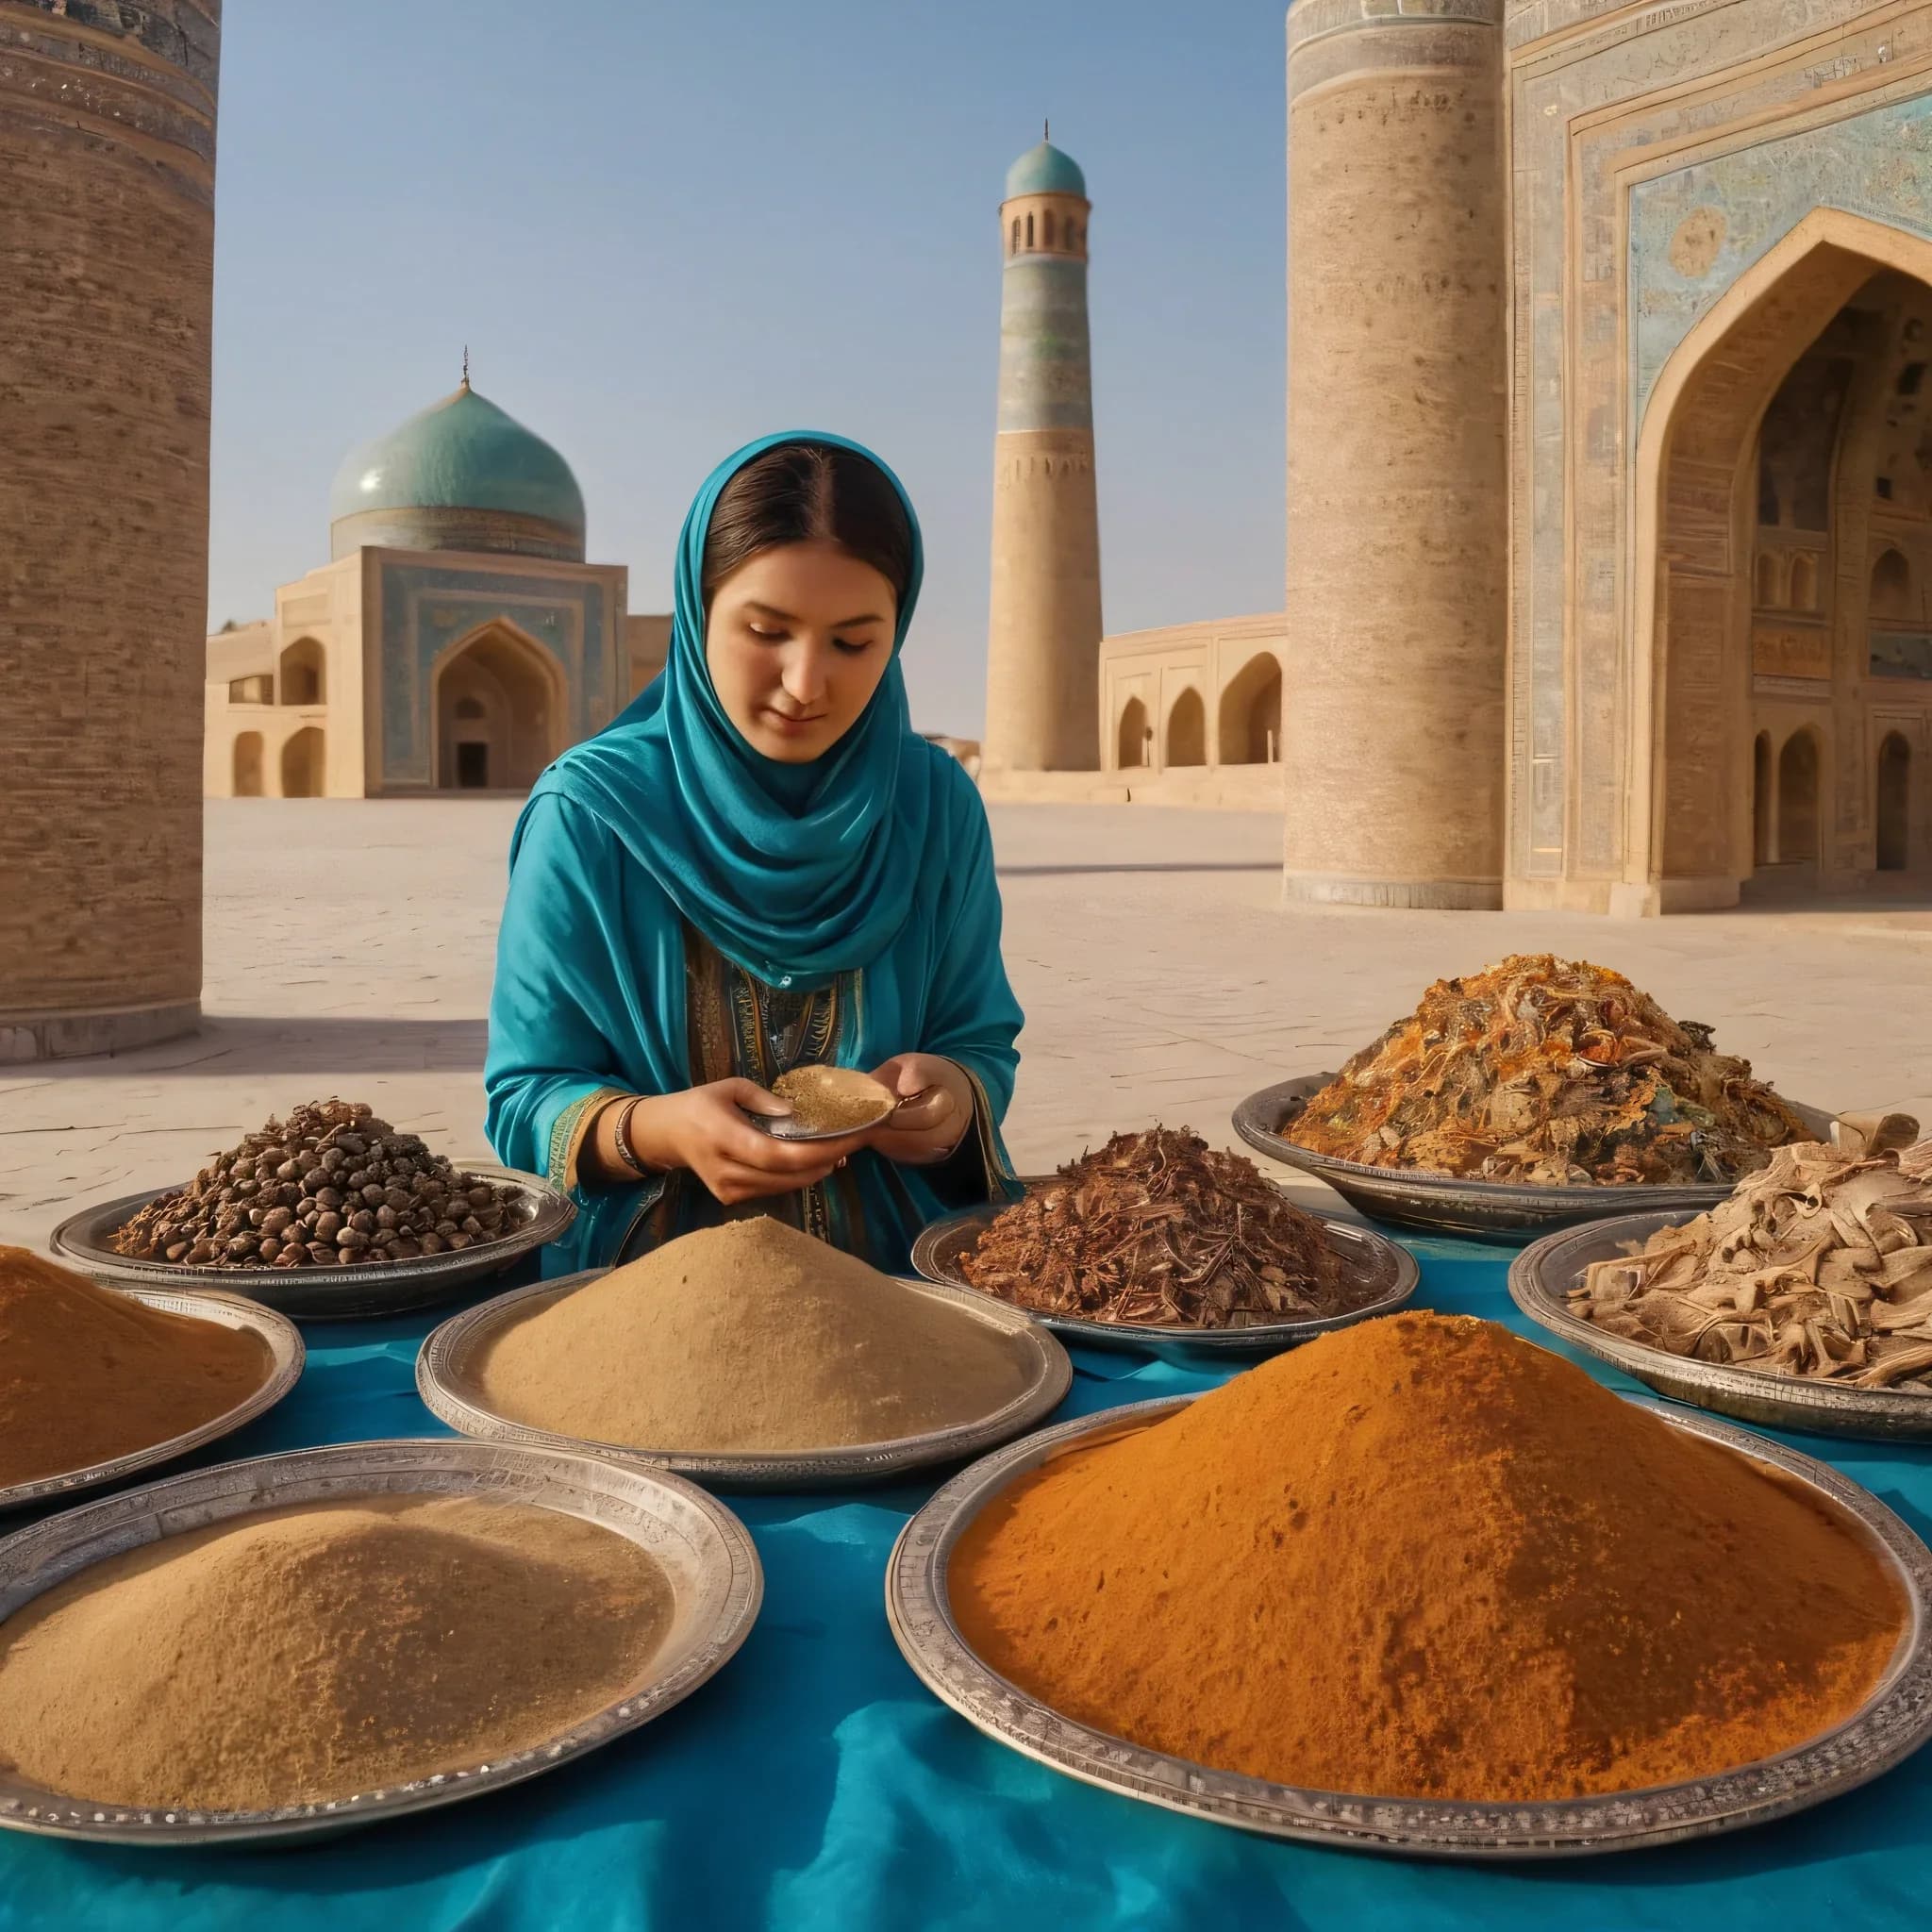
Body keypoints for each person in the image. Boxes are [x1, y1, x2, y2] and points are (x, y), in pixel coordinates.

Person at [484, 432, 1024, 1276]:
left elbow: (979, 1037)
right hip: (649, 1285)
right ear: (698, 616)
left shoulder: (932, 804)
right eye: (767, 630)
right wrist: (659, 1130)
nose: (807, 683)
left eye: (854, 643)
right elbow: (525, 1093)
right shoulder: (593, 813)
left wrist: (955, 1099)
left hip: (905, 1278)